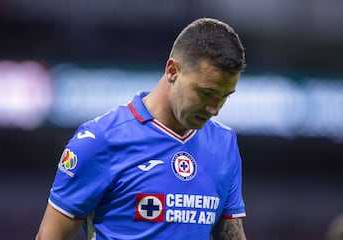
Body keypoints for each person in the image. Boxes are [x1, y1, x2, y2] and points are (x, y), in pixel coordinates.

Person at [36, 17, 247, 240]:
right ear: (172, 70)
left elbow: (230, 234)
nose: (215, 108)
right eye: (206, 93)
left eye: (225, 96)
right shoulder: (100, 140)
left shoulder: (224, 143)